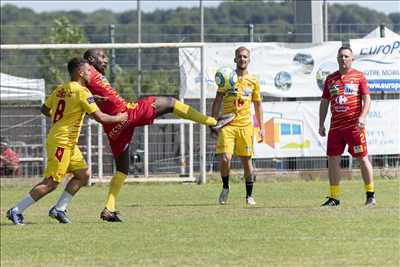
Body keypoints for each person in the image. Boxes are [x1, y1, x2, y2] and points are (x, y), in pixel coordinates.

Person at [83, 48, 235, 222]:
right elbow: (78, 84)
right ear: (90, 60)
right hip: (126, 113)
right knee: (171, 103)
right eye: (101, 56)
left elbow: (84, 100)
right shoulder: (87, 71)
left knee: (122, 170)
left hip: (113, 127)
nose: (106, 60)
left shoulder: (89, 80)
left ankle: (109, 208)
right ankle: (213, 122)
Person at [6, 58, 128, 225]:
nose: (90, 73)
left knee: (83, 175)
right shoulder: (82, 92)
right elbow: (100, 117)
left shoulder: (59, 89)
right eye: (88, 71)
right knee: (51, 183)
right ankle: (16, 210)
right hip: (61, 142)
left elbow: (44, 109)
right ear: (80, 72)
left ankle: (59, 209)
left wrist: (62, 118)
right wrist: (120, 117)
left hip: (67, 142)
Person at [319, 46, 375, 207]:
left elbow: (367, 99)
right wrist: (321, 123)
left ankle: (370, 195)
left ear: (352, 59)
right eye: (340, 56)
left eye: (346, 56)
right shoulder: (330, 79)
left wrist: (363, 116)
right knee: (333, 160)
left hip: (354, 128)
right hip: (336, 128)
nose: (343, 59)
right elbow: (324, 102)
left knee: (362, 159)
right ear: (337, 58)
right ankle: (334, 198)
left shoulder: (359, 77)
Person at [211, 46, 264, 206]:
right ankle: (226, 187)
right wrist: (213, 122)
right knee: (225, 158)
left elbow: (258, 104)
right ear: (235, 59)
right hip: (227, 125)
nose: (242, 59)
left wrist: (261, 127)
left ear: (249, 60)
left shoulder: (253, 81)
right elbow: (217, 100)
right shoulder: (228, 77)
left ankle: (249, 195)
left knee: (247, 162)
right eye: (239, 57)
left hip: (245, 126)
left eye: (245, 57)